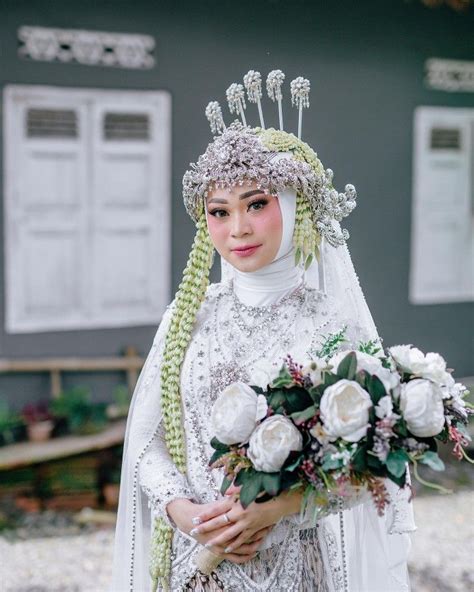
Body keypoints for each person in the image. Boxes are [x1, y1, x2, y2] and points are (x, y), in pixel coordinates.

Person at [111, 70, 416, 592]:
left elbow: (369, 465)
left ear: (296, 208)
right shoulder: (191, 314)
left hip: (300, 569)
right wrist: (186, 512)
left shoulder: (330, 324)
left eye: (257, 204)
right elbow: (145, 442)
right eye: (219, 212)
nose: (239, 229)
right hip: (193, 559)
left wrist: (281, 510)